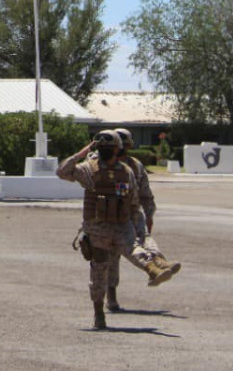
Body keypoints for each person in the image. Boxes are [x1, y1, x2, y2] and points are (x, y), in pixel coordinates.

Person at [57, 130, 174, 330]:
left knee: (99, 271)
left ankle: (99, 314)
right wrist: (138, 225)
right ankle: (151, 268)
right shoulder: (126, 171)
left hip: (98, 229)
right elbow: (134, 202)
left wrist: (81, 153)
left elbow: (63, 171)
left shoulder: (88, 170)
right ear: (118, 149)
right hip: (120, 225)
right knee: (134, 248)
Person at [109, 128, 181, 310]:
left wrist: (149, 215)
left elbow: (146, 194)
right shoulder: (100, 163)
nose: (123, 150)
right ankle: (111, 296)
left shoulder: (135, 165)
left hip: (132, 213)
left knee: (145, 238)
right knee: (113, 257)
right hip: (109, 216)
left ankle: (159, 264)